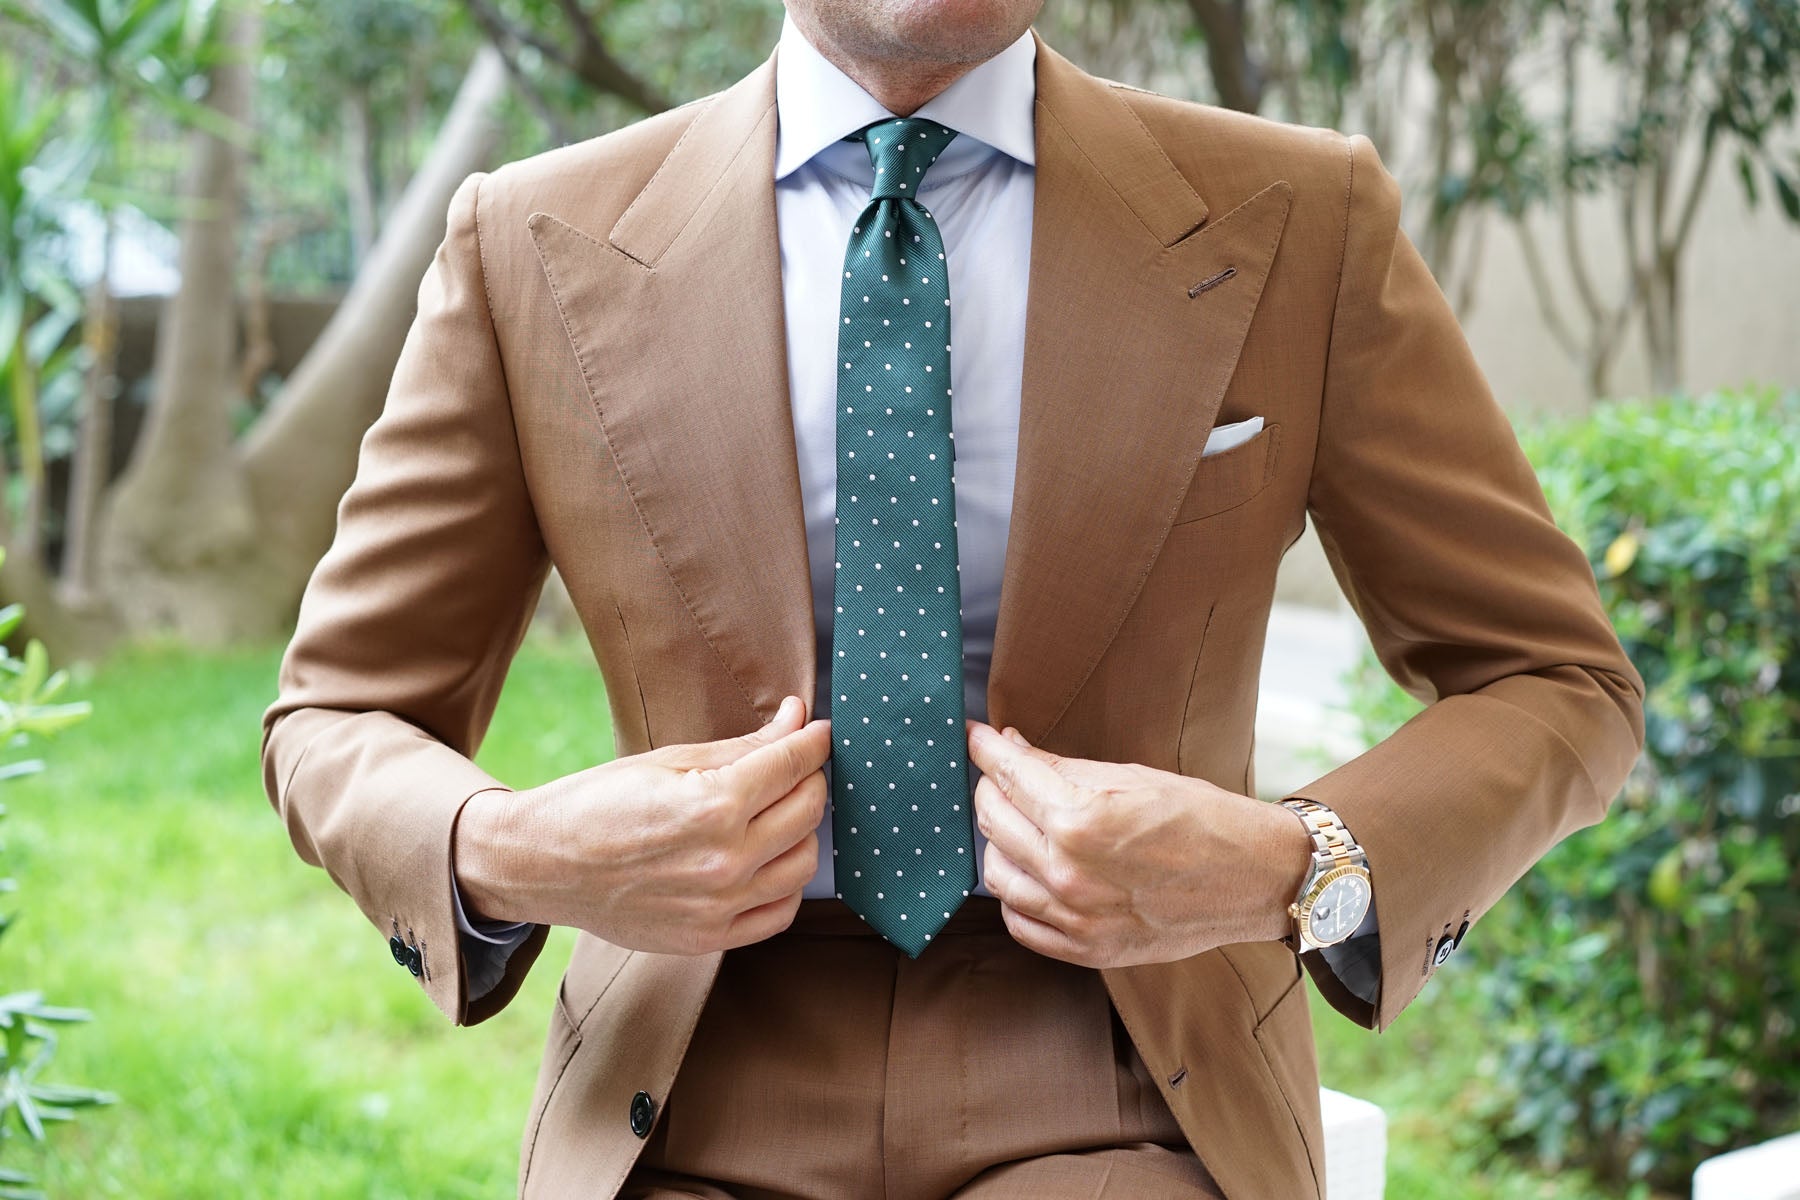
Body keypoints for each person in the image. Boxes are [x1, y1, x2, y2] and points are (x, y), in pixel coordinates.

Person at [260, 2, 1646, 1197]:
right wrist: (519, 848)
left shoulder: (1304, 217)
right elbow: (335, 716)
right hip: (686, 1067)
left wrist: (1293, 867)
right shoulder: (527, 239)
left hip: (1123, 1072)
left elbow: (1557, 685)